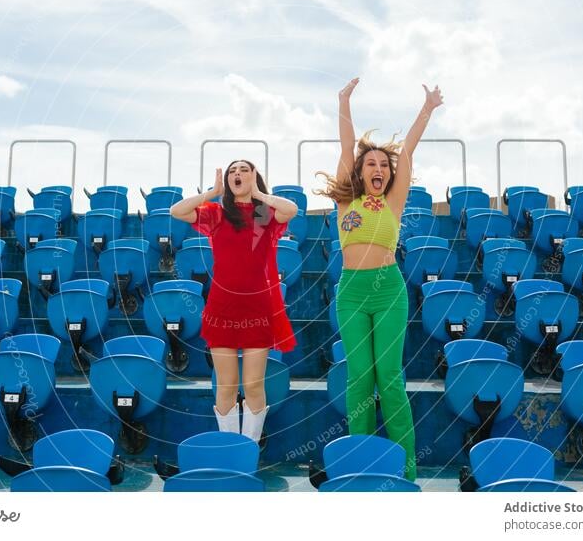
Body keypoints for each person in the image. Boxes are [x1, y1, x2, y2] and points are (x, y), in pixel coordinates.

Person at [316, 77, 443, 481]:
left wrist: (427, 108)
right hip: (351, 292)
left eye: (382, 165)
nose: (378, 167)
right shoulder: (344, 200)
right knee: (359, 378)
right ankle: (360, 466)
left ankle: (405, 469)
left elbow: (407, 150)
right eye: (370, 162)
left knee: (388, 377)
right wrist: (344, 102)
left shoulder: (394, 200)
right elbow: (345, 144)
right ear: (360, 169)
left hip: (388, 289)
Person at [171, 160, 298, 442]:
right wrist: (211, 192)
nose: (237, 174)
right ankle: (230, 450)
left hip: (257, 306)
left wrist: (259, 194)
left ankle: (250, 450)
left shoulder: (264, 213)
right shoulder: (217, 213)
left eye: (244, 169)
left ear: (255, 176)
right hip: (222, 306)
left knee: (253, 386)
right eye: (232, 171)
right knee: (226, 386)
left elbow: (291, 209)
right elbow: (177, 211)